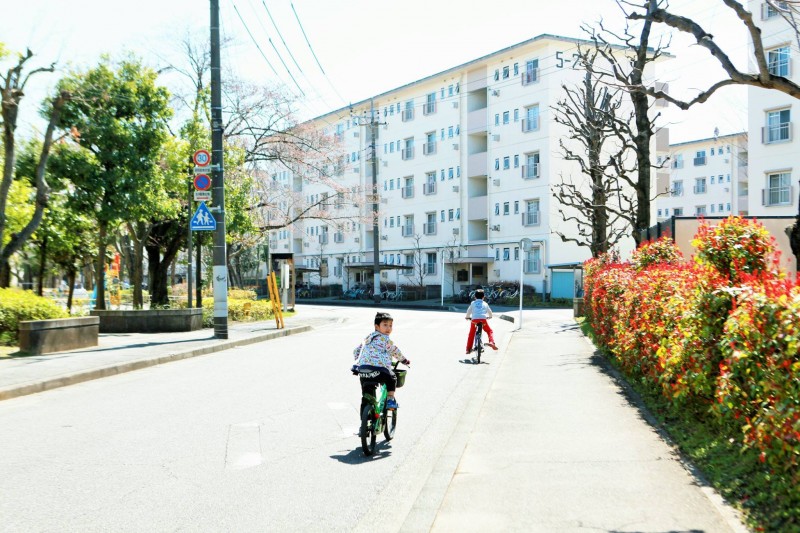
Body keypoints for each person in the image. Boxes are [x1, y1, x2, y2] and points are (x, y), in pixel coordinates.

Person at [352, 312, 410, 410]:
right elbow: (394, 351)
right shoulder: (385, 339)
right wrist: (404, 360)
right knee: (392, 378)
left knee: (366, 389)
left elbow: (356, 350)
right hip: (379, 370)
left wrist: (363, 360)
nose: (388, 328)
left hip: (363, 369)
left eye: (390, 325)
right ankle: (390, 400)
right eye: (385, 325)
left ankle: (366, 408)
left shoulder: (367, 338)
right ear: (377, 326)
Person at [465, 289, 498, 355]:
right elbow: (490, 312)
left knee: (471, 334)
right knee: (489, 331)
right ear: (483, 297)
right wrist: (490, 316)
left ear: (475, 297)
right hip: (483, 320)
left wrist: (467, 317)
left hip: (474, 320)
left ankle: (468, 349)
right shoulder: (485, 303)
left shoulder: (473, 303)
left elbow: (469, 311)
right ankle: (491, 342)